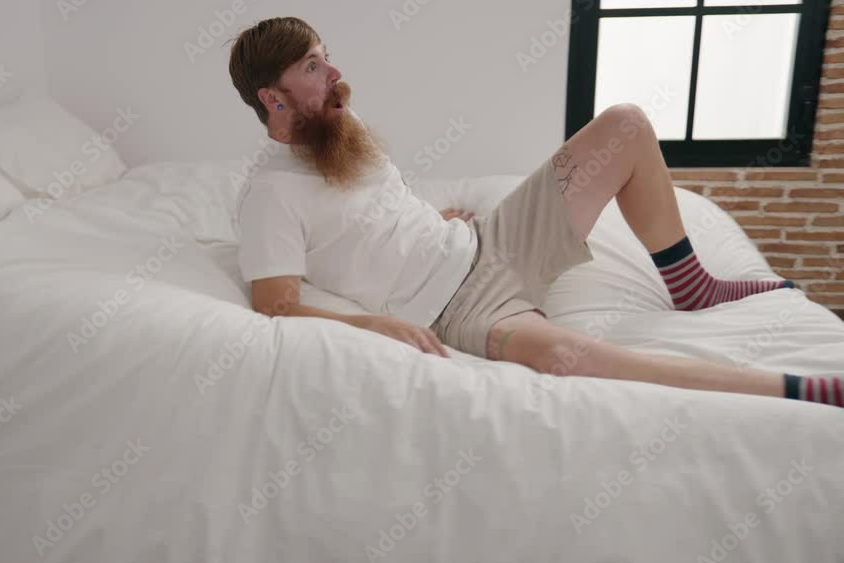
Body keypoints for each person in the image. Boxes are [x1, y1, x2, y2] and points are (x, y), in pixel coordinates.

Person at [228, 16, 841, 409]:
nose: (336, 74)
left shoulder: (340, 125)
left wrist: (437, 220)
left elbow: (373, 207)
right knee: (567, 358)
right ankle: (798, 389)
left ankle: (691, 284)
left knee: (625, 124)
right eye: (313, 66)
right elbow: (276, 303)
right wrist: (375, 326)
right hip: (459, 309)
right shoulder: (270, 194)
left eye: (327, 55)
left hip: (492, 243)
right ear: (272, 98)